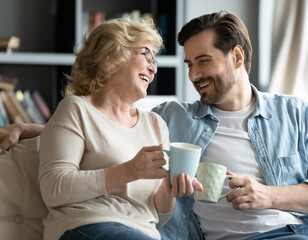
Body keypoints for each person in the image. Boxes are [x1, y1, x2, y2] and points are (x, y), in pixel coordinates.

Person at [1, 11, 308, 240]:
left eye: (203, 61)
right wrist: (26, 129)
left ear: (237, 56)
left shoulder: (294, 113)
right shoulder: (178, 118)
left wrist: (268, 195)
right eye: (188, 64)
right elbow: (99, 124)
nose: (193, 75)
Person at [6, 17, 200, 240]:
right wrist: (128, 171)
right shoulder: (76, 109)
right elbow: (54, 189)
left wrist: (169, 190)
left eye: (154, 61)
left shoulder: (156, 125)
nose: (153, 68)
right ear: (111, 57)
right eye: (145, 54)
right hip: (85, 225)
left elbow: (156, 215)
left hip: (142, 233)